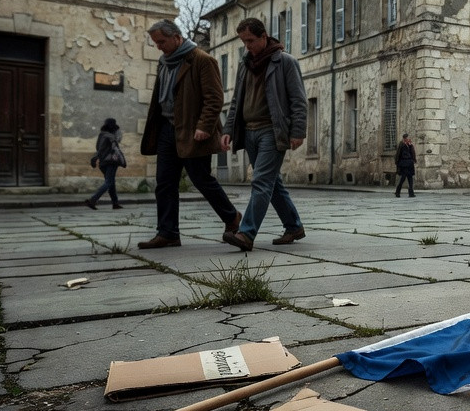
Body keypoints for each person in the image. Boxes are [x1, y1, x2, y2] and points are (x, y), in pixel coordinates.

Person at [138, 20, 241, 249]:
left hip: (193, 130)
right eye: (155, 43)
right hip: (167, 128)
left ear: (176, 36)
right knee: (164, 182)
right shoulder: (164, 62)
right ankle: (168, 233)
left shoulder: (202, 60)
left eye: (161, 41)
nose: (158, 47)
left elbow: (215, 98)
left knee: (201, 179)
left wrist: (204, 126)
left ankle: (232, 218)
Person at [220, 18, 307, 250]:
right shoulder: (245, 64)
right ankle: (293, 226)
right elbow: (237, 100)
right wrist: (228, 129)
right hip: (249, 132)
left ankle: (246, 234)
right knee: (271, 182)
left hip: (272, 131)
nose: (247, 46)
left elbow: (299, 100)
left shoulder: (285, 62)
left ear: (263, 36)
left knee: (260, 181)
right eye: (243, 41)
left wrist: (297, 131)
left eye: (250, 40)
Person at [85, 117, 126, 209]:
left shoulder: (101, 135)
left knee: (111, 182)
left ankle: (115, 203)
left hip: (103, 163)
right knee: (109, 182)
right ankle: (93, 200)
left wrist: (95, 158)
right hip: (111, 162)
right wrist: (123, 162)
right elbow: (116, 149)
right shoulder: (111, 137)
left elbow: (99, 149)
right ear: (114, 127)